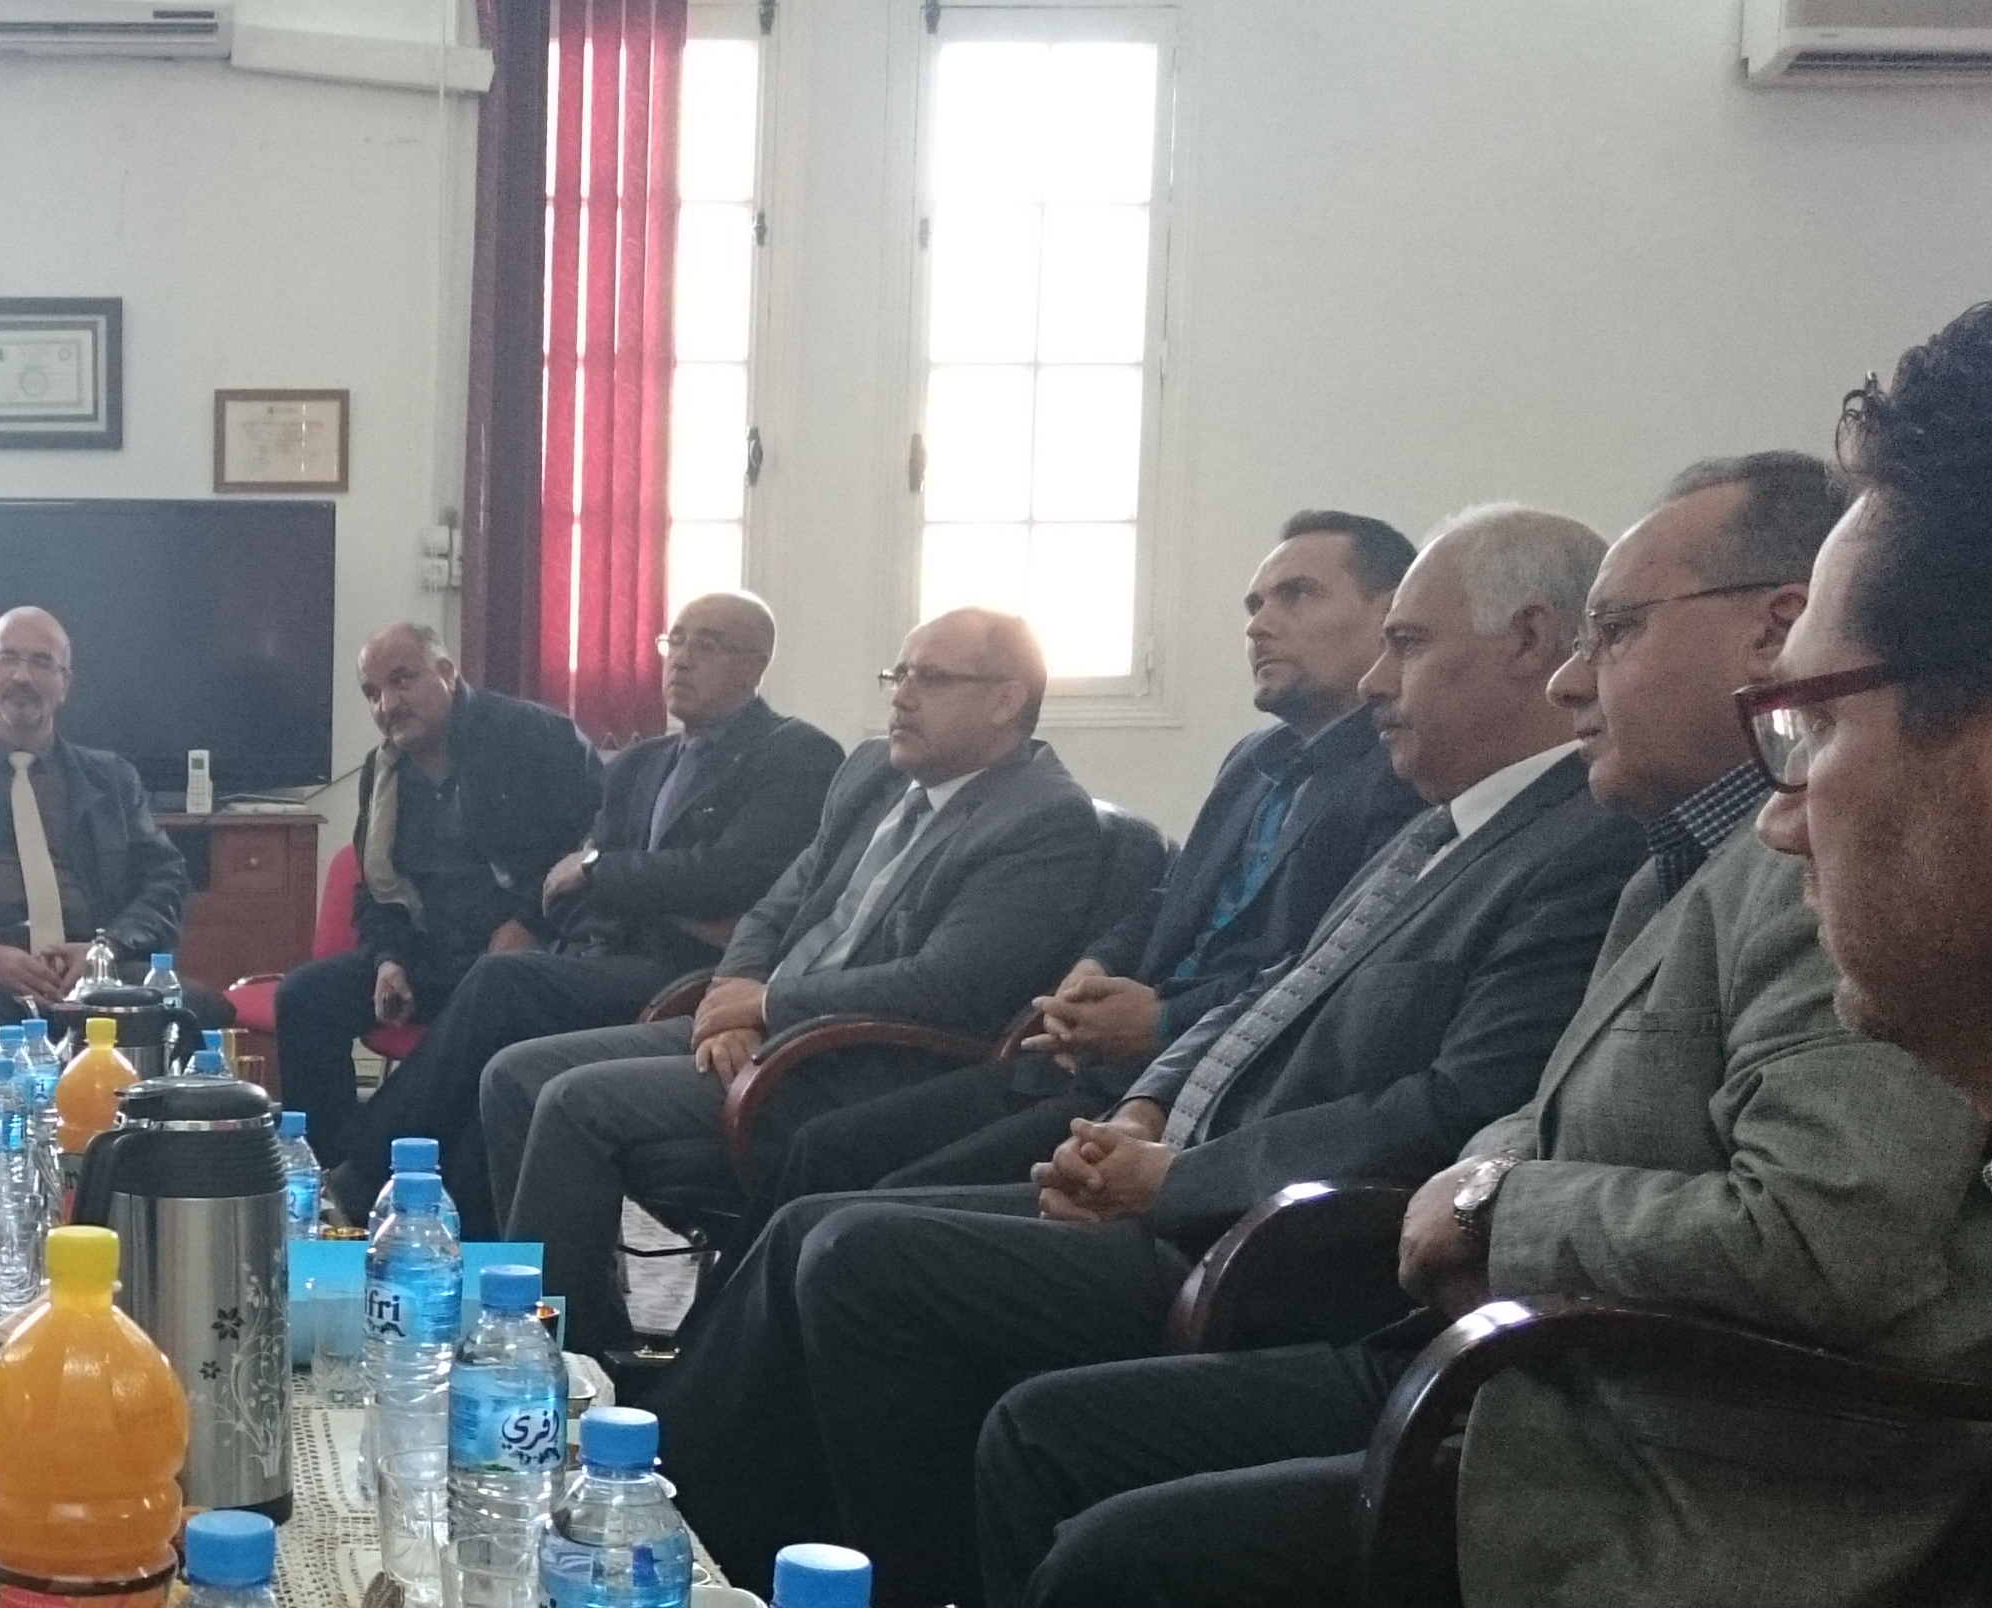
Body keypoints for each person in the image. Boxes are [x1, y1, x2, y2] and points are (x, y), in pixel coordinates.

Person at [1073, 295, 1992, 1608]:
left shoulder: (1696, 878)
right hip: (1554, 1394)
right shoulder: (1671, 867)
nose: (1785, 821)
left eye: (1806, 727)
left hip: (1681, 1460)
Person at [641, 505, 1644, 1608]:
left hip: (1280, 1240)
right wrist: (1152, 1106)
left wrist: (1172, 1156)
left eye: (1401, 642)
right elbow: (1267, 981)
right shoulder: (1434, 826)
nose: (1374, 681)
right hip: (1169, 1145)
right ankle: (694, 1538)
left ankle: (851, 1601)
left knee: (854, 1249)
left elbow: (1450, 1109)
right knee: (820, 1226)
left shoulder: (1571, 846)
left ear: (1526, 641)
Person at [478, 608, 1110, 1354]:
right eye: (899, 674)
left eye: (931, 679)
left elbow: (947, 986)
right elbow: (777, 903)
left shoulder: (1042, 818)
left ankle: (553, 1358)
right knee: (513, 1074)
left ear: (1006, 699)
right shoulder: (874, 771)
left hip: (851, 1061)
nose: (902, 696)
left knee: (574, 1102)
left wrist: (769, 1003)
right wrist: (736, 995)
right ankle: (582, 1332)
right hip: (764, 1026)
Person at [758, 514, 1427, 1208]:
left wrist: (1162, 1019)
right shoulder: (1253, 759)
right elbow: (1171, 897)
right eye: (1254, 605)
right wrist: (1096, 964)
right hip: (1095, 1059)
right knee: (828, 1150)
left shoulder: (1401, 779)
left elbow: (1315, 970)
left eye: (1298, 595)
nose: (1259, 626)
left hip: (1204, 1088)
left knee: (866, 1214)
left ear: (1391, 616)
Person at [329, 590, 843, 1228]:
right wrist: (627, 890)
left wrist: (606, 876)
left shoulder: (795, 754)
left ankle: (363, 1170)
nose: (680, 660)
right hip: (603, 956)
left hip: (696, 976)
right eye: (674, 641)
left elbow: (732, 877)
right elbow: (566, 891)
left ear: (754, 663)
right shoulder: (641, 762)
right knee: (496, 1048)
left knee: (502, 983)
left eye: (706, 645)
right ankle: (474, 1244)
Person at [265, 622, 597, 1154]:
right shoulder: (383, 771)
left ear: (446, 672)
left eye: (402, 681)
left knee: (484, 996)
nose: (387, 705)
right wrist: (389, 960)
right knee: (305, 996)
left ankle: (364, 1166)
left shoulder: (532, 735)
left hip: (526, 959)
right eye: (372, 693)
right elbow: (376, 891)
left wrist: (531, 922)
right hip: (432, 955)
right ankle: (322, 1161)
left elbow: (596, 847)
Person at [0, 603, 210, 1025]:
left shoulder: (112, 779)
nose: (22, 677)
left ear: (65, 684)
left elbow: (166, 881)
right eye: (7, 658)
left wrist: (106, 950)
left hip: (90, 967)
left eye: (42, 662)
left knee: (198, 1010)